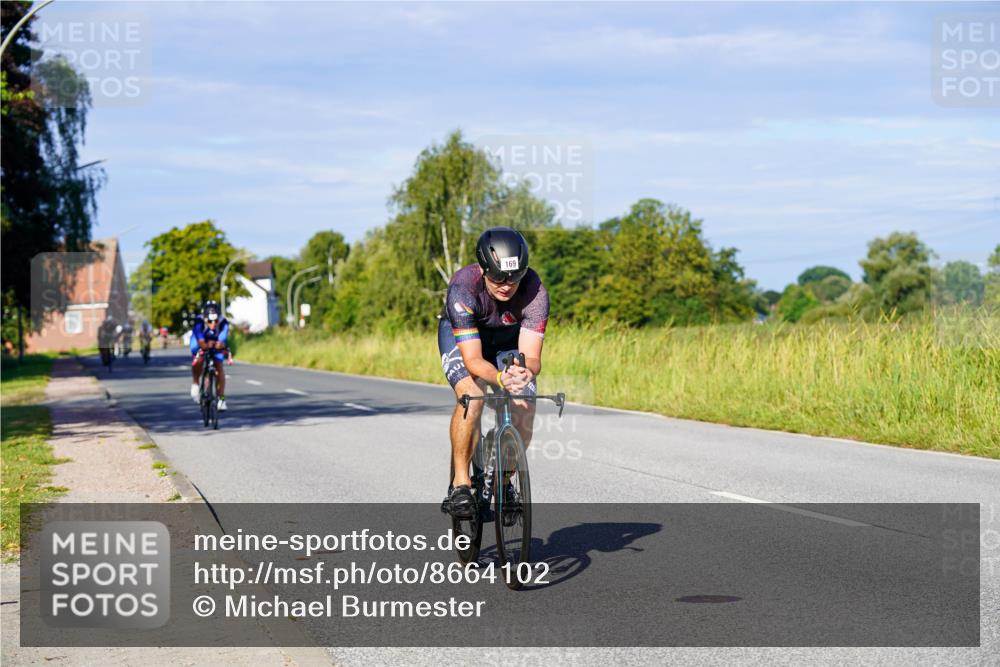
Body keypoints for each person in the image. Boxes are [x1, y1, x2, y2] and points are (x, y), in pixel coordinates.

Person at [438, 227, 549, 518]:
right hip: (464, 338)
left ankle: (504, 481)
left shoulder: (535, 291)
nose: (506, 284)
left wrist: (524, 373)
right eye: (498, 276)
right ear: (483, 269)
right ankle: (460, 484)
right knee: (472, 396)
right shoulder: (463, 286)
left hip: (507, 342)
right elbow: (473, 359)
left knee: (524, 407)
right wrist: (499, 378)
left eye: (514, 276)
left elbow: (533, 356)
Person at [189, 300, 230, 411]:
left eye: (215, 320)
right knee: (199, 360)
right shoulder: (199, 320)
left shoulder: (223, 321)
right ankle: (195, 383)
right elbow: (198, 335)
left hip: (215, 342)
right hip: (200, 341)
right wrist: (203, 344)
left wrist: (220, 343)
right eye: (210, 320)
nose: (213, 323)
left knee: (219, 367)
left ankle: (221, 399)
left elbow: (223, 335)